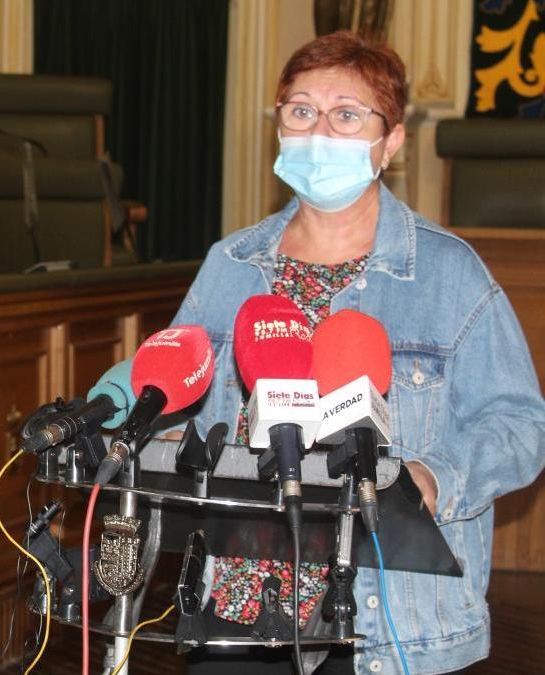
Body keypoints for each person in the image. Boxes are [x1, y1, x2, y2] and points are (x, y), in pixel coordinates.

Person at [172, 31, 545, 674]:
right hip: (237, 602)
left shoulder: (449, 273)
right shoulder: (228, 265)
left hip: (381, 618)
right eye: (300, 110)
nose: (319, 130)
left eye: (346, 114)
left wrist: (433, 478)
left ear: (391, 142)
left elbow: (520, 424)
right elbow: (184, 401)